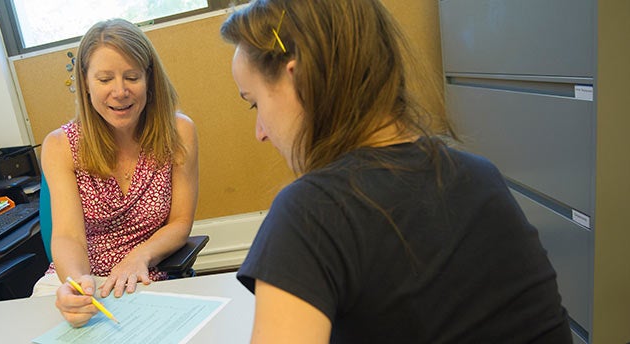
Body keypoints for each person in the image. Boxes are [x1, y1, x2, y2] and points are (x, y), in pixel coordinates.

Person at [220, 1, 571, 343]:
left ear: (301, 80)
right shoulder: (481, 176)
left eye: (255, 103)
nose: (260, 132)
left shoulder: (310, 213)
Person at [32, 18, 199, 328]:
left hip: (143, 275)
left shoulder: (179, 132)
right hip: (79, 278)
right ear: (85, 82)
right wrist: (79, 283)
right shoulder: (60, 145)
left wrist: (140, 256)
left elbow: (180, 222)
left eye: (132, 77)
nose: (120, 91)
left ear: (149, 78)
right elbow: (68, 236)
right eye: (105, 79)